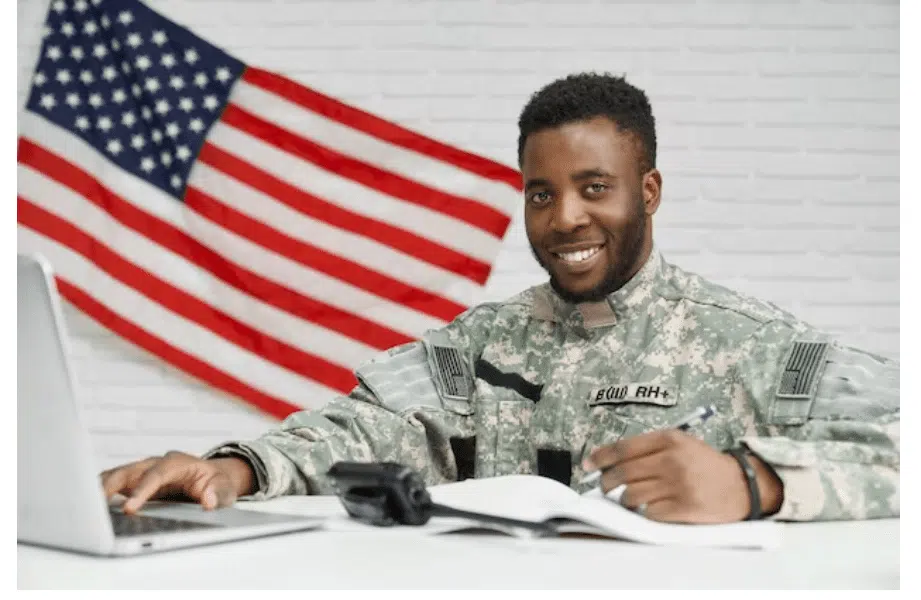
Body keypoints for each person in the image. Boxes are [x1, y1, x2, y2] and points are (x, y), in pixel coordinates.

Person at [101, 72, 900, 524]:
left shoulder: (754, 344)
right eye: (540, 194)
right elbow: (362, 427)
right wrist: (233, 468)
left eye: (594, 187)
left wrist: (755, 483)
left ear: (648, 191)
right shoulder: (478, 347)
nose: (564, 218)